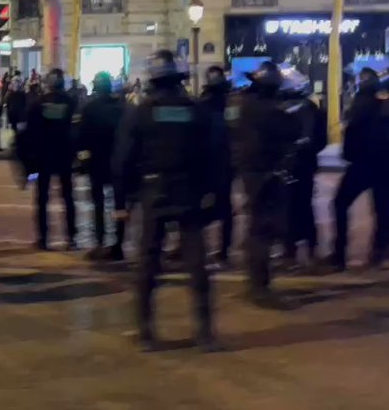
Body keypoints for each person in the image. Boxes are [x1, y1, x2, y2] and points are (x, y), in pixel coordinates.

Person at [114, 51, 217, 352]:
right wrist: (209, 192)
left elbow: (123, 159)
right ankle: (205, 332)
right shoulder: (196, 111)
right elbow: (212, 155)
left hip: (153, 193)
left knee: (148, 264)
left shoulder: (141, 112)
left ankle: (146, 332)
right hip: (188, 193)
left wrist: (124, 201)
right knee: (197, 263)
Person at [228, 61, 298, 307]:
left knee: (258, 227)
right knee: (263, 230)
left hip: (251, 172)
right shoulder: (270, 109)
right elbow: (292, 130)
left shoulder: (243, 105)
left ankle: (256, 283)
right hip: (265, 174)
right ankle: (259, 287)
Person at [331, 67, 389, 270]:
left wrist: (350, 154)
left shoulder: (363, 104)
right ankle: (383, 247)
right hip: (384, 163)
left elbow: (353, 133)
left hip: (366, 163)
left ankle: (341, 252)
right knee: (384, 207)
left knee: (342, 203)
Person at [24, 68, 79, 250]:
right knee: (68, 198)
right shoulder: (71, 103)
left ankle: (43, 238)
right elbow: (76, 131)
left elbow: (30, 134)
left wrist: (30, 161)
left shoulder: (39, 103)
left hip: (44, 157)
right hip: (64, 156)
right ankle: (71, 236)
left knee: (42, 199)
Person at [279, 68, 327, 268]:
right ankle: (294, 249)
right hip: (299, 163)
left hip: (299, 164)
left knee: (297, 207)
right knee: (294, 207)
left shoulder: (303, 108)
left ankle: (299, 249)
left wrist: (291, 150)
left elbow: (309, 138)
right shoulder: (303, 107)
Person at [77, 71, 126, 261]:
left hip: (97, 162)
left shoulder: (89, 108)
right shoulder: (122, 108)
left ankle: (99, 243)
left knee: (98, 204)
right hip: (118, 162)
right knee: (120, 206)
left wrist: (82, 159)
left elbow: (81, 137)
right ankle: (118, 246)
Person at [197, 66, 235, 266]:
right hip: (226, 162)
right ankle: (223, 249)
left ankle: (198, 248)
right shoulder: (232, 103)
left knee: (204, 205)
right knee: (225, 206)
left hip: (209, 162)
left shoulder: (202, 105)